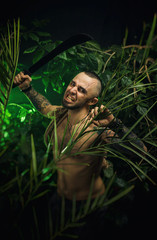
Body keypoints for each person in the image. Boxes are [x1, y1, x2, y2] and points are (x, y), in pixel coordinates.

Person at [14, 71, 147, 238]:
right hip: (59, 197)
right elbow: (44, 107)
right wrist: (27, 89)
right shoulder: (60, 114)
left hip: (87, 207)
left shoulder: (96, 129)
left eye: (82, 90)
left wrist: (114, 122)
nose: (72, 90)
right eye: (72, 84)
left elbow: (141, 152)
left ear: (92, 101)